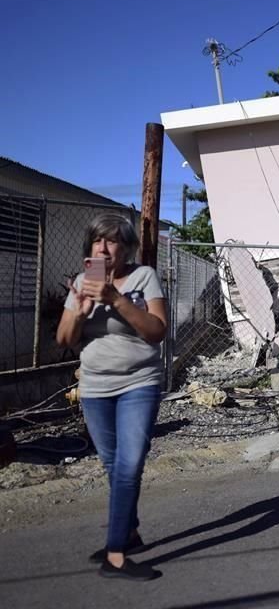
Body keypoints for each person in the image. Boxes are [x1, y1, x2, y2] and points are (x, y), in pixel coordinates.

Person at [56, 214, 167, 581]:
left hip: (139, 383)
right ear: (90, 248)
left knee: (129, 465)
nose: (104, 248)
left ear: (127, 247)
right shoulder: (80, 284)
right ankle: (130, 533)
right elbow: (64, 340)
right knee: (113, 467)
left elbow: (156, 332)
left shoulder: (143, 277)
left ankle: (115, 556)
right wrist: (81, 310)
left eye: (113, 241)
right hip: (95, 388)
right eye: (98, 242)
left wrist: (116, 300)